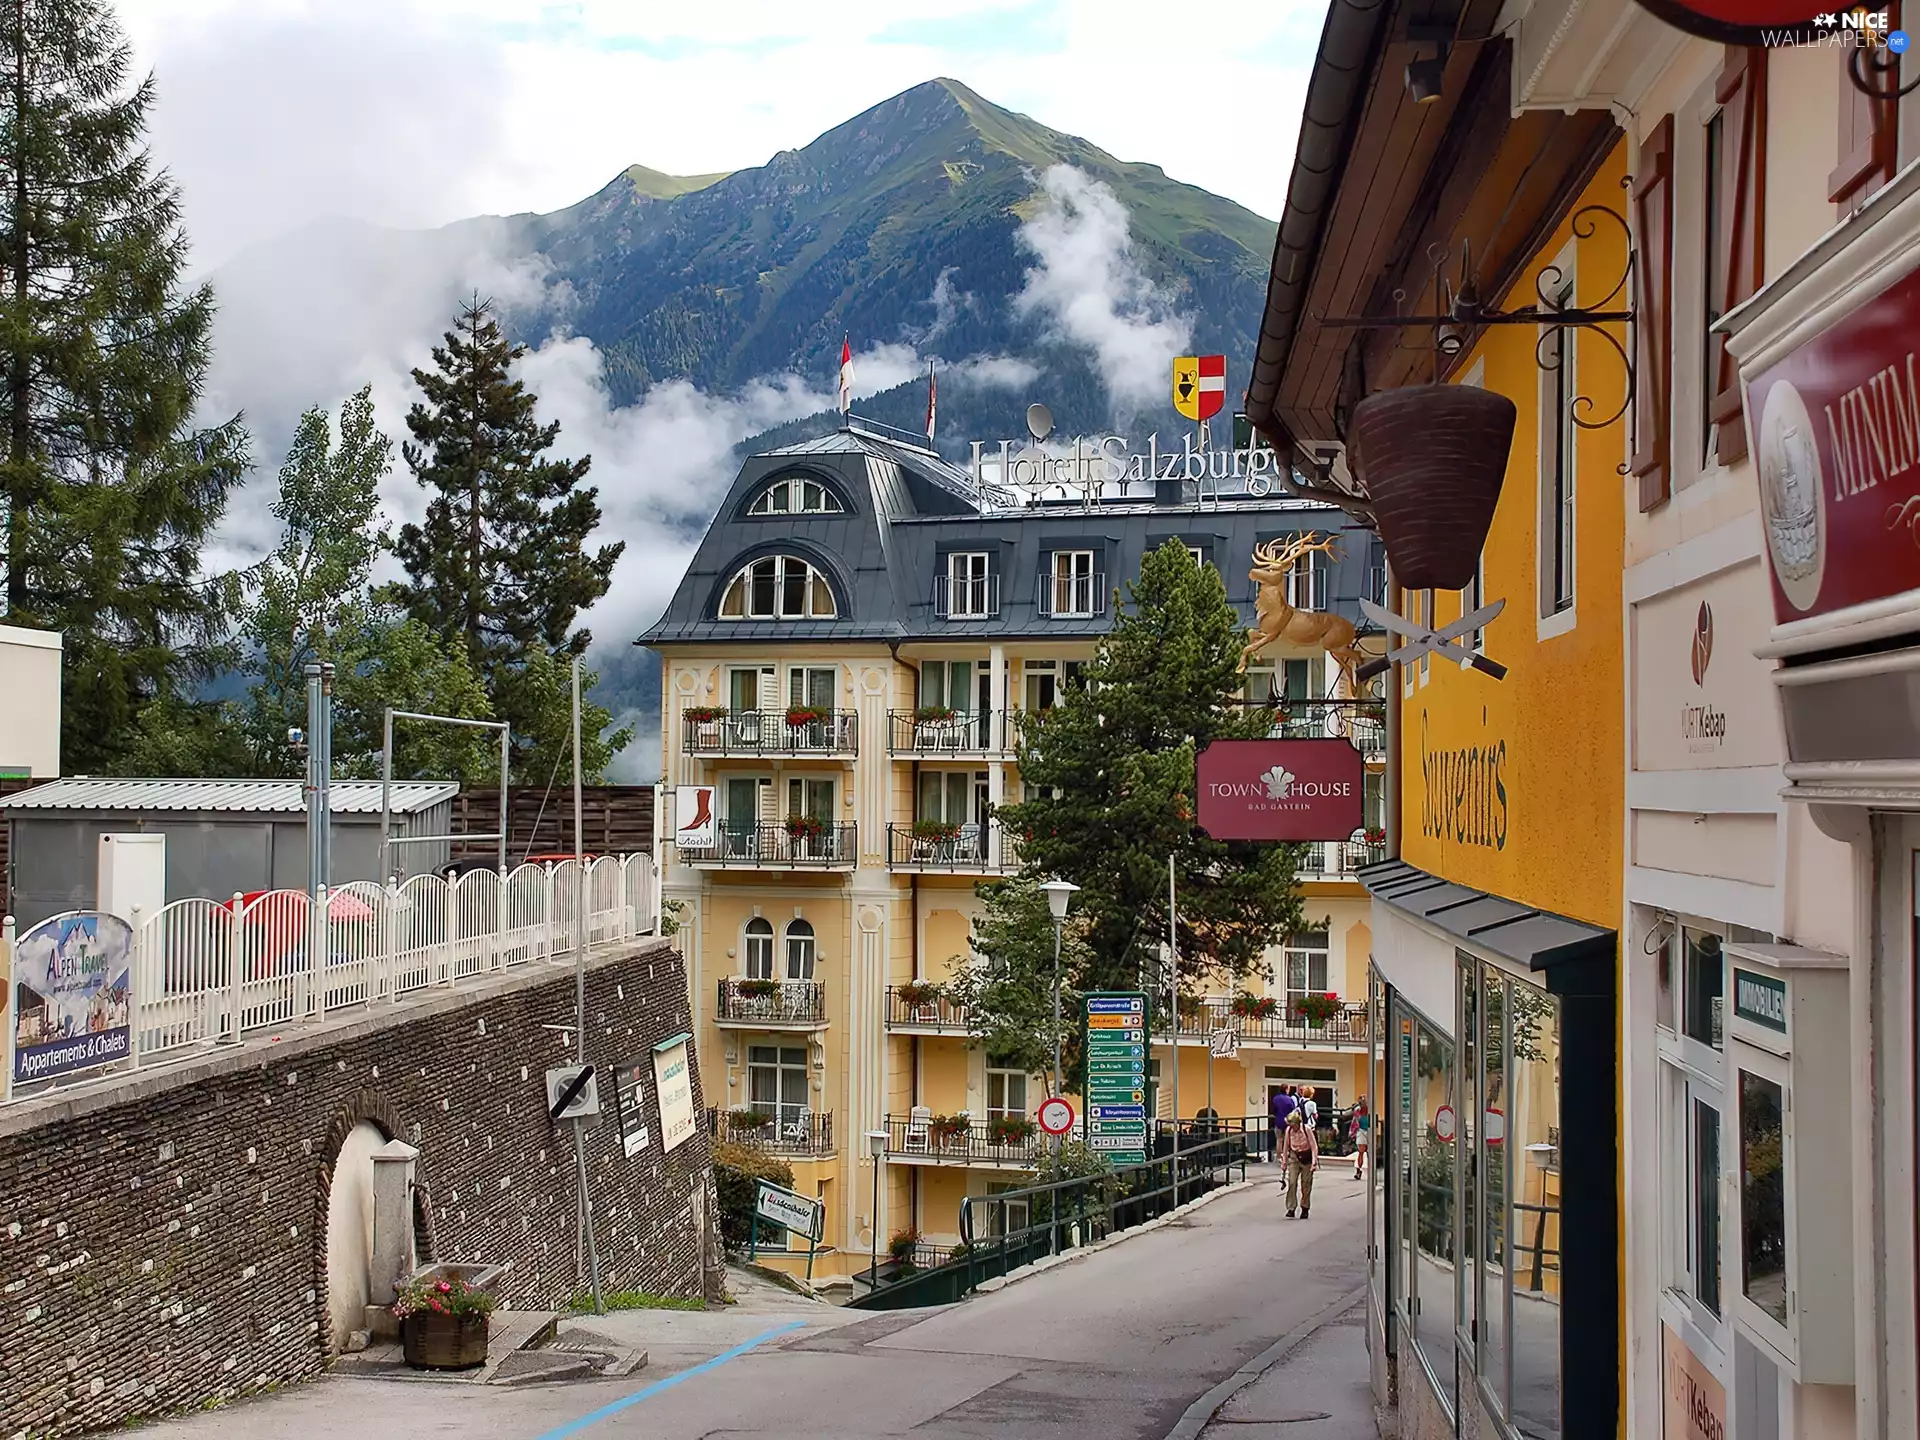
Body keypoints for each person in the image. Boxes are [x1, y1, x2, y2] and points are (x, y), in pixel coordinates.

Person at [1283, 1109, 1318, 1219]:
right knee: (1292, 1182)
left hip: (1306, 1157)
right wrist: (1284, 1162)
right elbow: (1286, 1147)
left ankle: (1305, 1207)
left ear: (1297, 1123)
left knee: (1306, 1184)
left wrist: (1314, 1162)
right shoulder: (1288, 1131)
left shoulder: (1306, 1129)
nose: (1291, 1126)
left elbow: (1314, 1146)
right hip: (1294, 1157)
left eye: (1292, 1124)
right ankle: (1291, 1208)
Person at [1268, 1084, 1296, 1162]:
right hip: (1288, 1122)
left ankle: (1279, 1156)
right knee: (1288, 1139)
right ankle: (1287, 1155)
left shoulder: (1276, 1099)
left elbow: (1273, 1109)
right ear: (1286, 1089)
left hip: (1278, 1121)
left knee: (1279, 1139)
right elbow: (1292, 1111)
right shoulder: (1289, 1099)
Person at [1350, 1095, 1370, 1180]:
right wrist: (1352, 1132)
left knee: (1370, 1152)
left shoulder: (1371, 1110)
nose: (1362, 1104)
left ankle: (1372, 1172)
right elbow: (1354, 1121)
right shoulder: (1357, 1110)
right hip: (1361, 1130)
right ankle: (1359, 1171)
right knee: (1361, 1152)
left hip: (1370, 1131)